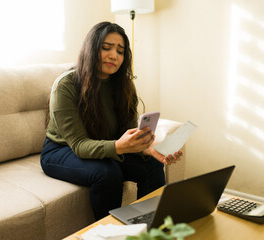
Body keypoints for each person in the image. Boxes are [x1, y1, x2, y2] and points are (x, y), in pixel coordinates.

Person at [41, 22, 183, 220]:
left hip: (104, 144)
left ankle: (149, 227)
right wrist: (118, 146)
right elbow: (80, 145)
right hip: (61, 149)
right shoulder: (66, 85)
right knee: (108, 173)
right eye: (106, 48)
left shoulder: (124, 85)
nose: (113, 55)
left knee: (151, 164)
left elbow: (128, 135)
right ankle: (109, 233)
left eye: (120, 51)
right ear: (91, 49)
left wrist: (148, 148)